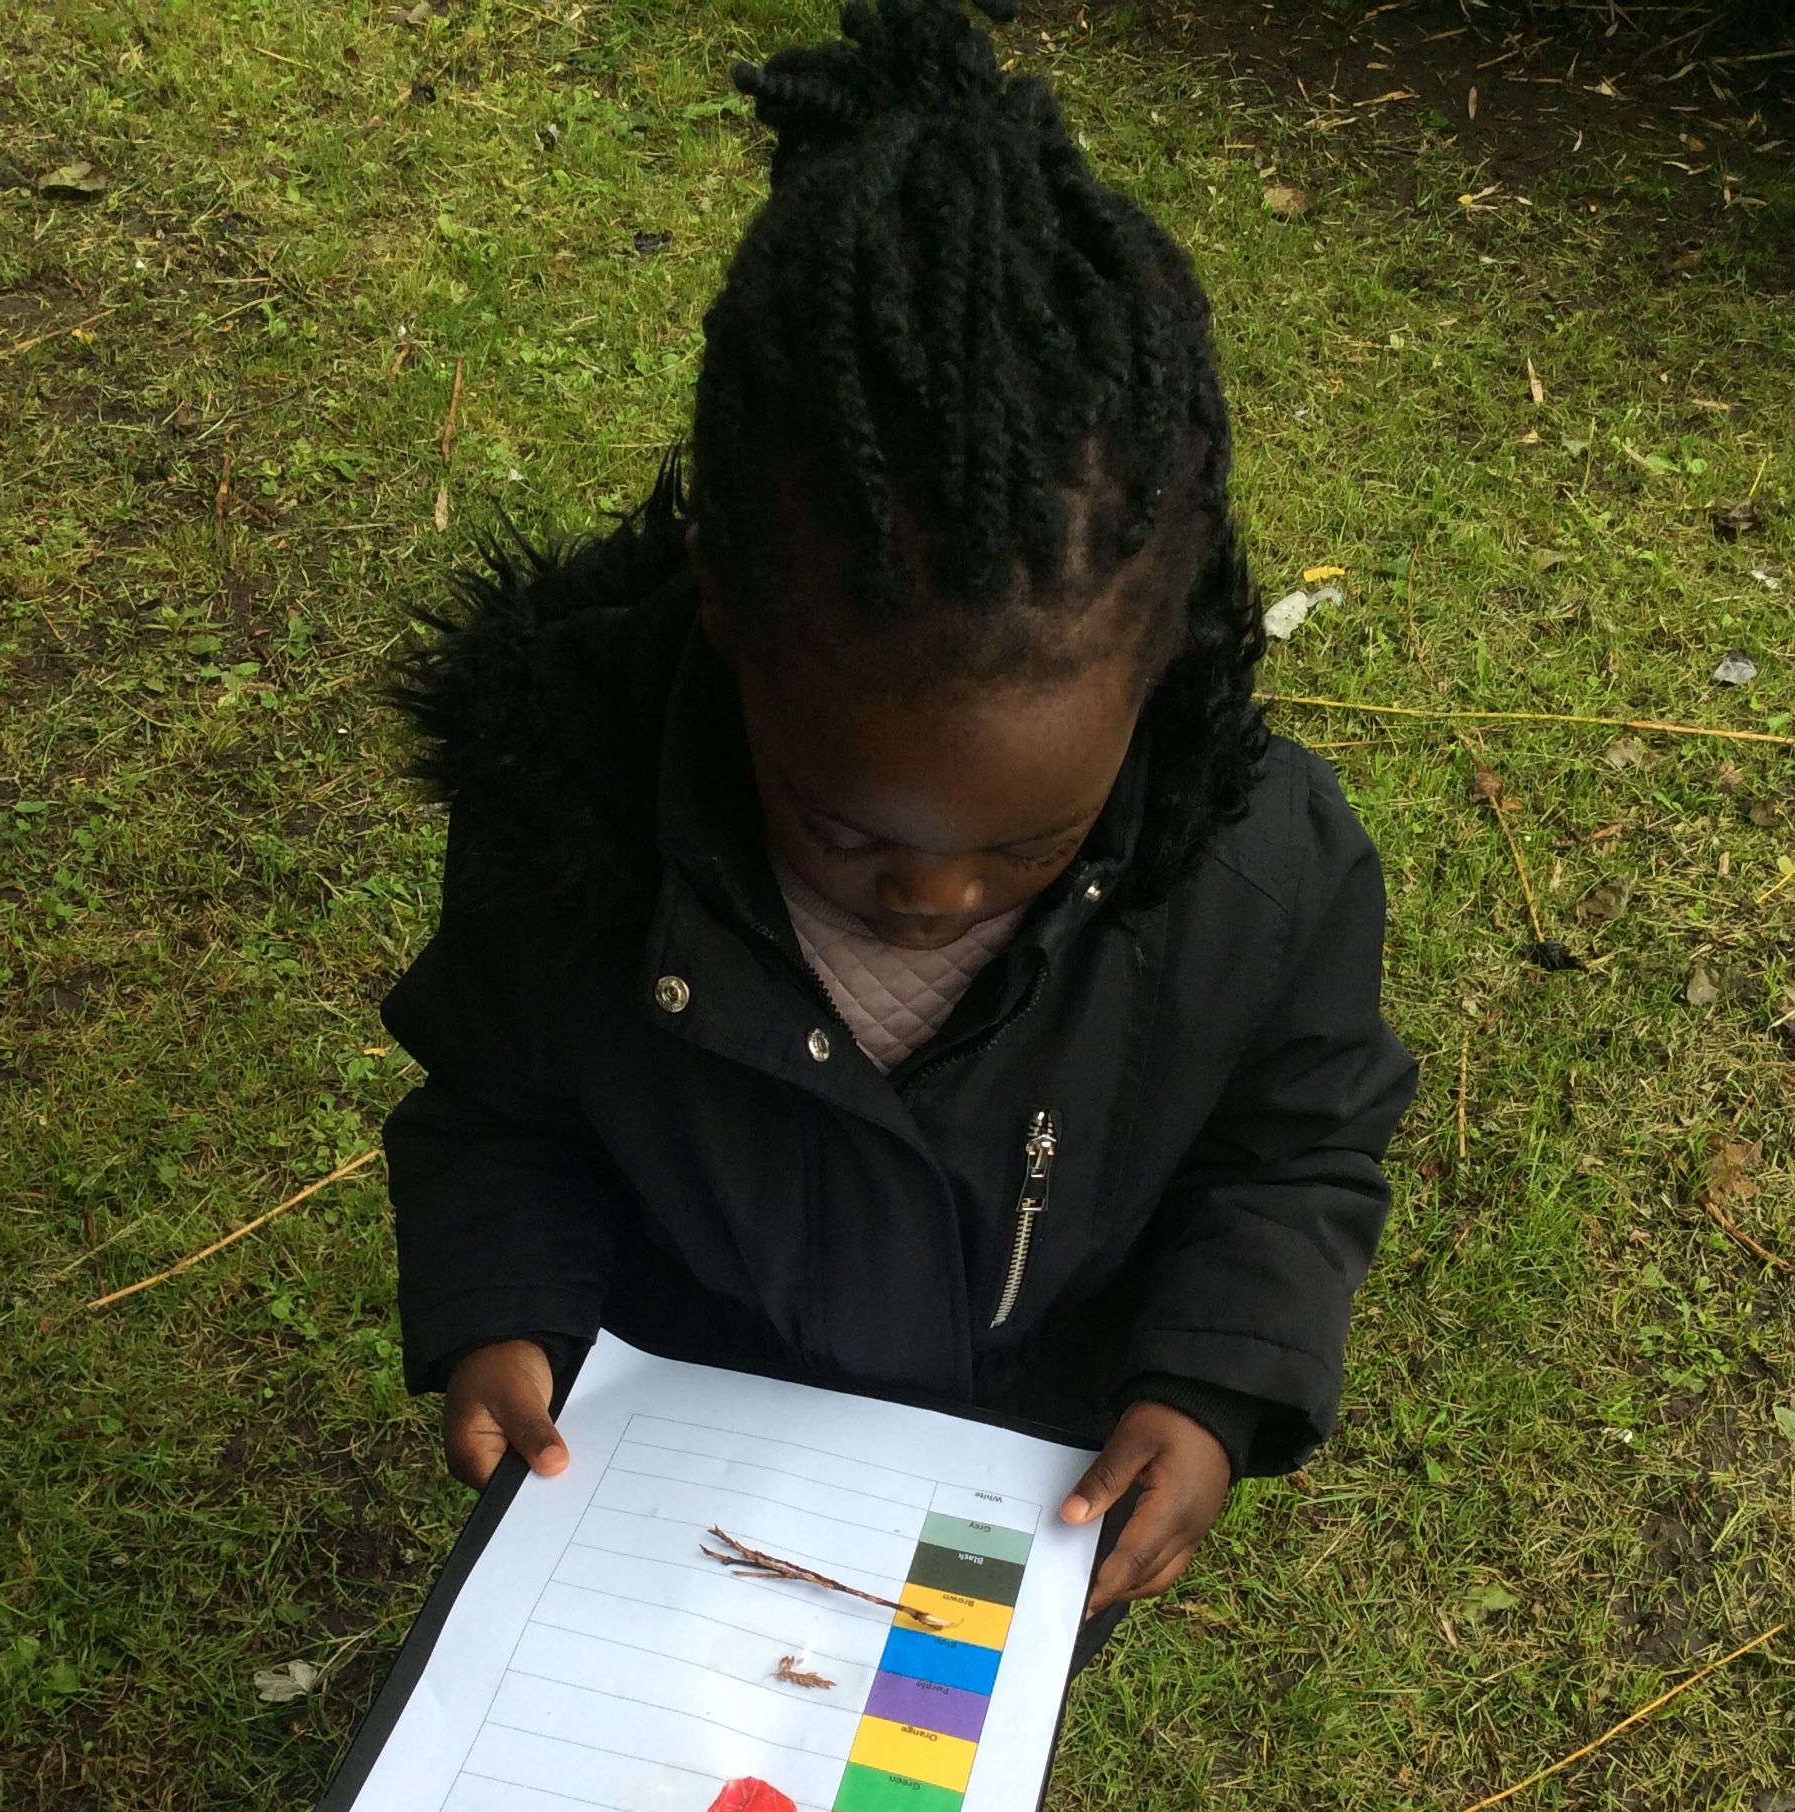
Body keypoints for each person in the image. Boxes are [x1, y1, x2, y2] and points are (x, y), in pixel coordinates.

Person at [380, 0, 1415, 1660]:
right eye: (843, 825)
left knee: (894, 1790)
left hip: (1016, 1462)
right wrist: (504, 1311)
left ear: (1155, 672)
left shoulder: (1258, 876)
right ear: (728, 615)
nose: (933, 893)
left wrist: (1212, 1385)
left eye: (1029, 844)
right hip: (678, 1449)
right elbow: (499, 1110)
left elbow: (1293, 1150)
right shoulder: (576, 832)